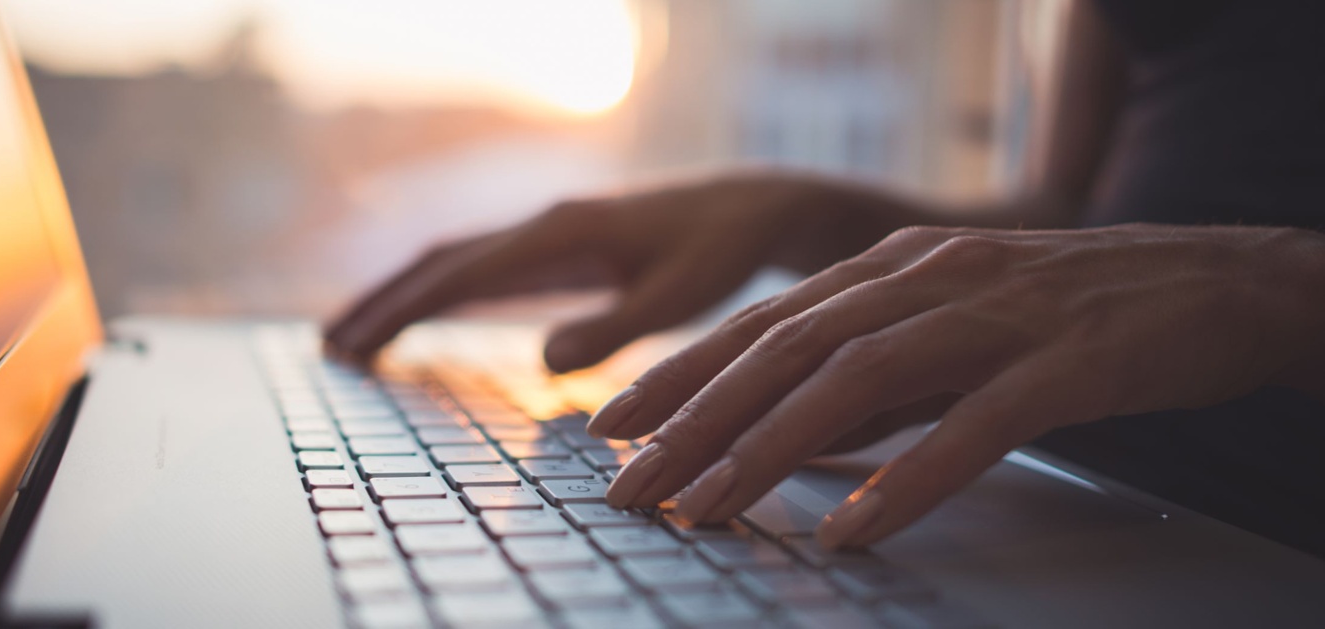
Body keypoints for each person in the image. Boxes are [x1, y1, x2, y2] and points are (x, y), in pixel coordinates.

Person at [326, 0, 1325, 556]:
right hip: (1053, 505)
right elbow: (1080, 220)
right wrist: (810, 213)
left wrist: (1278, 288)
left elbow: (1186, 268)